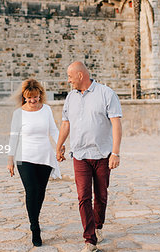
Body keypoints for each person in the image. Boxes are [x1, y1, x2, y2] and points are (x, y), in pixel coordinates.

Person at [56, 61, 122, 252]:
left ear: (80, 75)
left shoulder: (106, 94)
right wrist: (59, 146)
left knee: (101, 196)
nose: (68, 80)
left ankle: (98, 225)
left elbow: (116, 124)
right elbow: (66, 124)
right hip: (80, 155)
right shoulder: (70, 98)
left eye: (70, 76)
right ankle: (89, 239)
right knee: (83, 196)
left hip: (102, 154)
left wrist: (115, 153)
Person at [7, 78, 64, 247]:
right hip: (24, 157)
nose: (32, 101)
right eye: (29, 98)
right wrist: (10, 160)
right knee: (31, 190)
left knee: (40, 192)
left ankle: (35, 218)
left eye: (35, 97)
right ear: (24, 97)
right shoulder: (18, 113)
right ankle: (35, 227)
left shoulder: (46, 110)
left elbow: (53, 129)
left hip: (44, 156)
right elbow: (14, 137)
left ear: (40, 95)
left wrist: (60, 147)